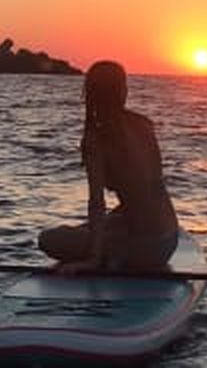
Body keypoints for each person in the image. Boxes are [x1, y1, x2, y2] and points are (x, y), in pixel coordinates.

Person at [38, 61, 179, 274]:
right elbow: (153, 187)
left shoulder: (96, 139)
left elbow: (97, 203)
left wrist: (92, 261)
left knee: (49, 238)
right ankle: (112, 248)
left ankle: (113, 254)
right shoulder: (144, 124)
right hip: (170, 238)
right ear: (122, 90)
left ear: (91, 93)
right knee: (107, 221)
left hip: (146, 250)